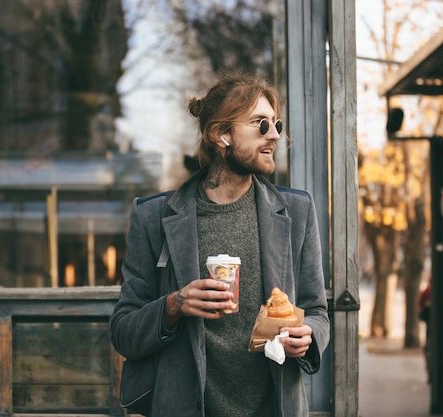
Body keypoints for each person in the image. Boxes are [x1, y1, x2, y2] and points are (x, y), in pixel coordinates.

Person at [110, 72, 330, 417]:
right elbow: (123, 331)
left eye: (277, 125)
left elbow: (317, 311)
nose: (274, 135)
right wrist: (173, 305)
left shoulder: (297, 212)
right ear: (221, 134)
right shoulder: (153, 217)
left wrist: (309, 336)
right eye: (261, 125)